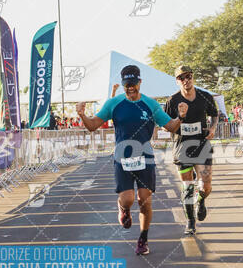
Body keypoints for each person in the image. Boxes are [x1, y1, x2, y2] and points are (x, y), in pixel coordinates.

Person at [76, 64, 188, 255]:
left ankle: (143, 239)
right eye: (127, 84)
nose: (130, 88)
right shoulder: (114, 103)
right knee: (128, 199)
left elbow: (171, 126)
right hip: (122, 158)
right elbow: (93, 125)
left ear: (140, 83)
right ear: (123, 84)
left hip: (145, 157)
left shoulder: (150, 104)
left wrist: (181, 117)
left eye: (133, 84)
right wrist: (82, 115)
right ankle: (123, 209)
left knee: (145, 201)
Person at [164, 65, 218, 235]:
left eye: (188, 76)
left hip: (202, 145)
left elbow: (214, 114)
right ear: (177, 81)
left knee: (206, 186)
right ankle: (190, 221)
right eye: (181, 78)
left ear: (193, 77)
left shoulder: (204, 96)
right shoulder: (172, 101)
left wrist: (213, 128)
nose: (185, 80)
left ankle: (200, 200)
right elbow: (166, 126)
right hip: (182, 147)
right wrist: (180, 119)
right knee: (187, 187)